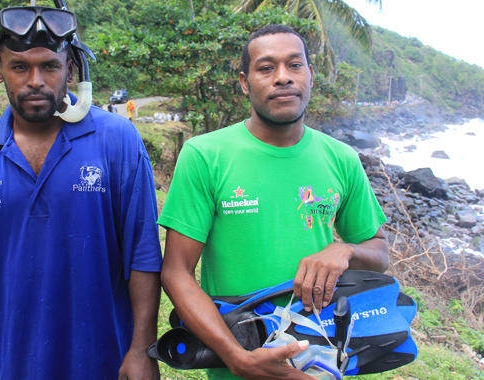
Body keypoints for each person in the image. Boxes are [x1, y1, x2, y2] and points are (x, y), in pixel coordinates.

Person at [158, 24, 389, 380]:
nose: (283, 77)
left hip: (322, 360)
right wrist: (237, 358)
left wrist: (345, 251)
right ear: (245, 82)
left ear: (311, 75)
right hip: (238, 362)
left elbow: (379, 252)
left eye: (295, 65)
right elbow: (176, 271)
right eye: (266, 68)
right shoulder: (206, 155)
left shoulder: (341, 159)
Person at [0, 5, 162, 380]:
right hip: (13, 363)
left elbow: (142, 255)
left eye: (49, 66)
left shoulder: (116, 140)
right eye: (19, 67)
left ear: (70, 70)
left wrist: (142, 349)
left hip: (105, 362)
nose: (35, 80)